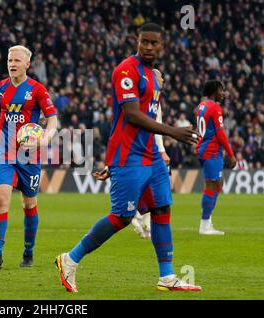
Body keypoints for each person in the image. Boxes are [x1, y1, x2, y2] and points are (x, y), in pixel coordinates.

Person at [55, 23, 202, 292]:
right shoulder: (126, 70)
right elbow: (132, 115)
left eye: (153, 43)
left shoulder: (154, 76)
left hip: (152, 157)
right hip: (129, 156)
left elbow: (150, 114)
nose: (148, 46)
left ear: (161, 46)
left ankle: (167, 276)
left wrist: (161, 146)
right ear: (137, 41)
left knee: (161, 209)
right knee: (122, 217)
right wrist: (173, 133)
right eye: (143, 41)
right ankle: (70, 259)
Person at [0, 45, 58, 268]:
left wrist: (44, 139)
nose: (12, 64)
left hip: (30, 155)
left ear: (27, 64)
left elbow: (53, 119)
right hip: (7, 153)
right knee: (1, 199)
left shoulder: (37, 90)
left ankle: (28, 252)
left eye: (17, 61)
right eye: (9, 60)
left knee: (28, 204)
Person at [131, 69, 170, 239]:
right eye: (161, 76)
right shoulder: (147, 97)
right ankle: (136, 215)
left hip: (149, 148)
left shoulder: (155, 96)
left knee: (152, 186)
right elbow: (155, 124)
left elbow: (156, 124)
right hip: (145, 148)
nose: (163, 78)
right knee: (150, 185)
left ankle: (145, 221)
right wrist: (161, 150)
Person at [195, 80, 236, 235]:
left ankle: (208, 220)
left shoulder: (201, 105)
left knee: (218, 182)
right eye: (221, 90)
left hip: (205, 149)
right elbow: (220, 134)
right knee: (212, 185)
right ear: (214, 91)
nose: (223, 93)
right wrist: (231, 154)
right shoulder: (215, 107)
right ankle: (205, 225)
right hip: (211, 151)